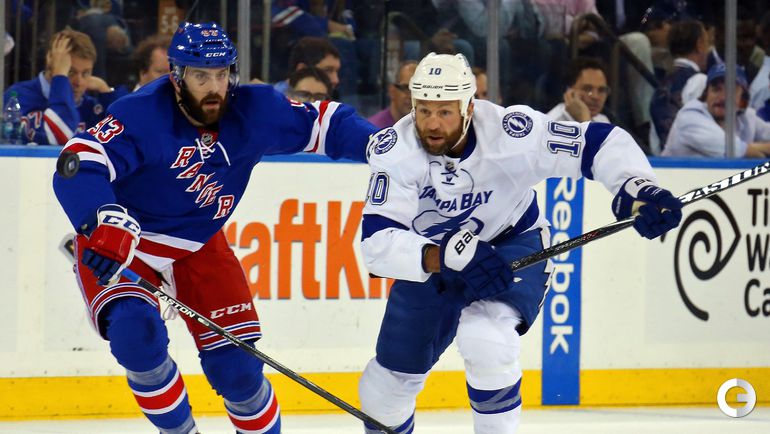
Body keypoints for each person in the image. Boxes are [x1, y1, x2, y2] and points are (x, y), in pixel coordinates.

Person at [52, 22, 375, 434]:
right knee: (137, 337)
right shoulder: (142, 114)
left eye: (222, 74)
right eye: (201, 76)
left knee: (237, 371)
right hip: (124, 242)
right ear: (176, 76)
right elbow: (78, 162)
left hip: (198, 243)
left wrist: (381, 146)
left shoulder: (255, 110)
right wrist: (100, 218)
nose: (214, 87)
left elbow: (329, 125)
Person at [358, 52, 682, 434]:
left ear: (468, 107)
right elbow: (377, 243)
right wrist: (444, 257)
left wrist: (637, 188)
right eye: (424, 110)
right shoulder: (395, 149)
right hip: (436, 259)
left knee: (487, 340)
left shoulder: (512, 133)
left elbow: (598, 142)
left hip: (509, 243)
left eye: (445, 112)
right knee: (383, 391)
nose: (432, 124)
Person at [4, 29, 126, 145]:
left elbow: (127, 137)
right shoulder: (18, 97)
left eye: (85, 73)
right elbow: (61, 135)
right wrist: (60, 76)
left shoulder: (91, 106)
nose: (79, 82)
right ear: (51, 62)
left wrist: (106, 92)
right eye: (70, 72)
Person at [663, 63, 770, 158]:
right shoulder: (689, 117)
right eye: (716, 90)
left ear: (743, 98)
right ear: (706, 95)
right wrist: (757, 151)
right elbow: (735, 150)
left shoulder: (745, 116)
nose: (723, 97)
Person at [649, 19, 709, 146]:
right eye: (707, 42)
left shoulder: (660, 86)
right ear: (699, 44)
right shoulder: (700, 81)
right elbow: (705, 132)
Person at [547, 57, 611, 123]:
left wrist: (585, 118)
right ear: (569, 92)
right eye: (587, 89)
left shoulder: (602, 120)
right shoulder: (552, 123)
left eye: (601, 90)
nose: (595, 96)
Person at [273, 37, 341, 95]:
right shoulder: (274, 102)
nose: (336, 80)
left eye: (337, 71)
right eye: (327, 70)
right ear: (302, 69)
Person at [368, 60, 417, 129]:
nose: (411, 96)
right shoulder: (374, 129)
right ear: (392, 91)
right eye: (406, 88)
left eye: (417, 90)